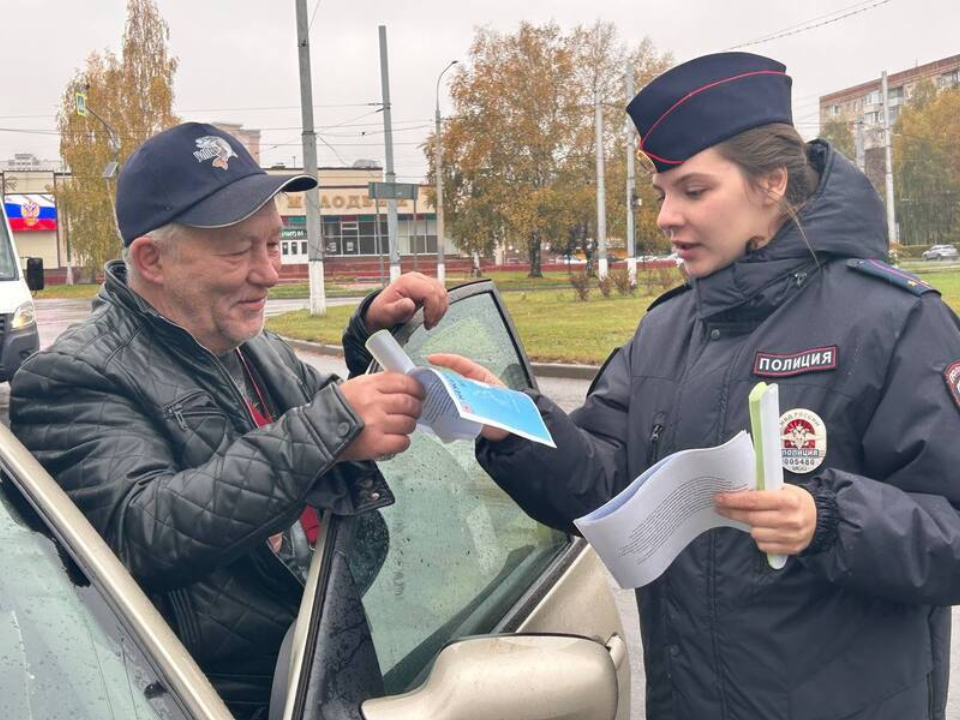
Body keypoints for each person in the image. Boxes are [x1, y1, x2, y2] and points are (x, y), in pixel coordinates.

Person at [432, 52, 960, 720]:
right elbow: (604, 487)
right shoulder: (667, 328)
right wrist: (513, 424)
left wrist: (829, 520)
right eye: (660, 194)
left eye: (693, 190)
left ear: (770, 183)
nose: (665, 218)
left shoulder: (896, 321)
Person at [10, 122, 447, 719]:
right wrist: (330, 426)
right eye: (241, 251)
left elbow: (328, 422)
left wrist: (369, 339)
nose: (270, 272)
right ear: (152, 259)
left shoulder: (246, 338)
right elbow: (142, 532)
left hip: (325, 655)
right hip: (229, 699)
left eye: (273, 243)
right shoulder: (71, 377)